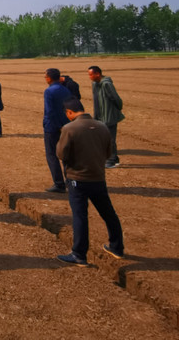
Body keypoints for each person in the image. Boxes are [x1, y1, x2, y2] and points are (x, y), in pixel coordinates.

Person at [56, 97, 124, 266]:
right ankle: (117, 247)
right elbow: (108, 152)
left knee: (80, 216)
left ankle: (79, 254)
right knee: (108, 213)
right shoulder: (102, 126)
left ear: (69, 112)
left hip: (77, 179)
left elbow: (61, 154)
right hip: (98, 177)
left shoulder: (69, 128)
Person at [88, 65, 125, 169]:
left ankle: (111, 160)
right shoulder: (95, 84)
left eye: (91, 74)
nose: (89, 77)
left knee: (110, 139)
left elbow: (116, 99)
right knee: (104, 138)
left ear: (97, 74)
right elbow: (96, 101)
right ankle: (114, 158)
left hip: (109, 116)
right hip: (100, 116)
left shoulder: (106, 84)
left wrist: (116, 110)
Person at [43, 68, 73, 193]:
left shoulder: (49, 91)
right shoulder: (65, 89)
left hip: (52, 127)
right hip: (66, 125)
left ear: (49, 78)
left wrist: (53, 125)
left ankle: (59, 184)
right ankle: (70, 182)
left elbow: (50, 111)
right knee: (66, 155)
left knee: (52, 155)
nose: (45, 79)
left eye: (45, 77)